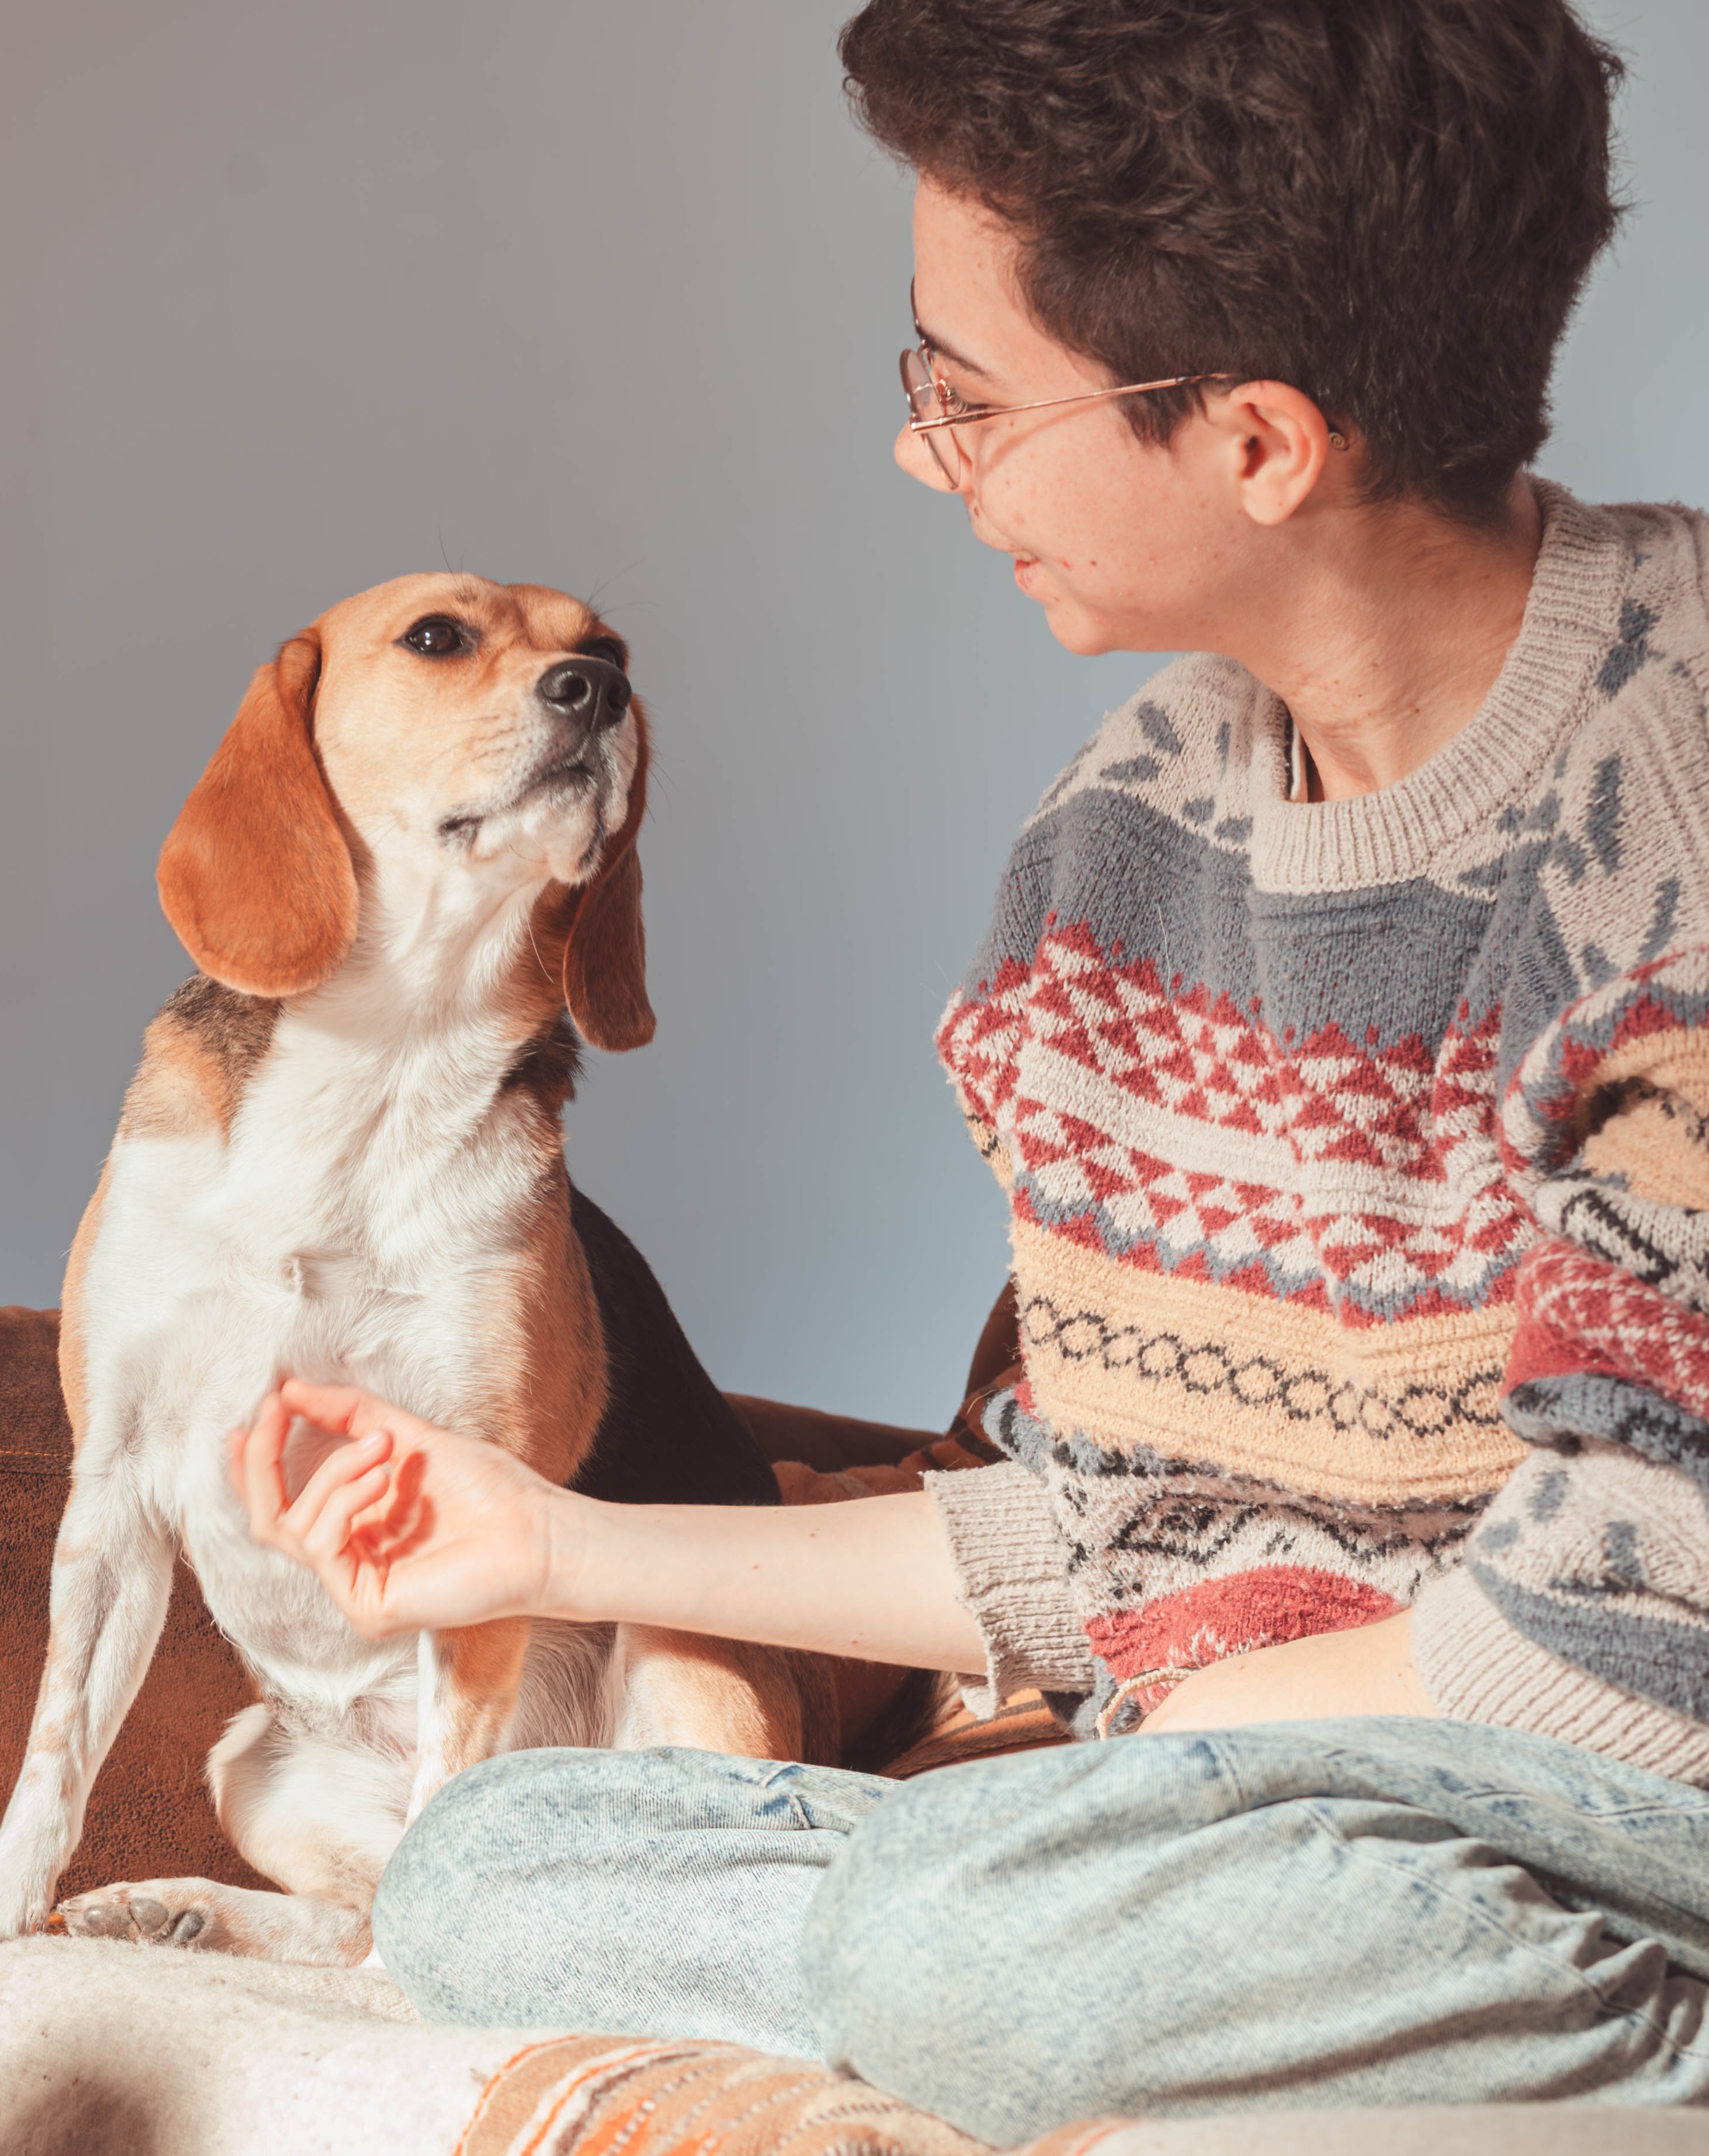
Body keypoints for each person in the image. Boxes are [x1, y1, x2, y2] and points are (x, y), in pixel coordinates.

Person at [231, 0, 1709, 2134]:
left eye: (971, 395)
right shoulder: (1124, 836)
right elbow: (1111, 1537)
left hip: (1620, 1783)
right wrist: (549, 1548)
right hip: (1270, 1816)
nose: (921, 453)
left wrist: (1129, 1781)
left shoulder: (1663, 824)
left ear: (1259, 443)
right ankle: (1163, 1999)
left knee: (978, 1931)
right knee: (492, 1868)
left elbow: (1636, 1659)